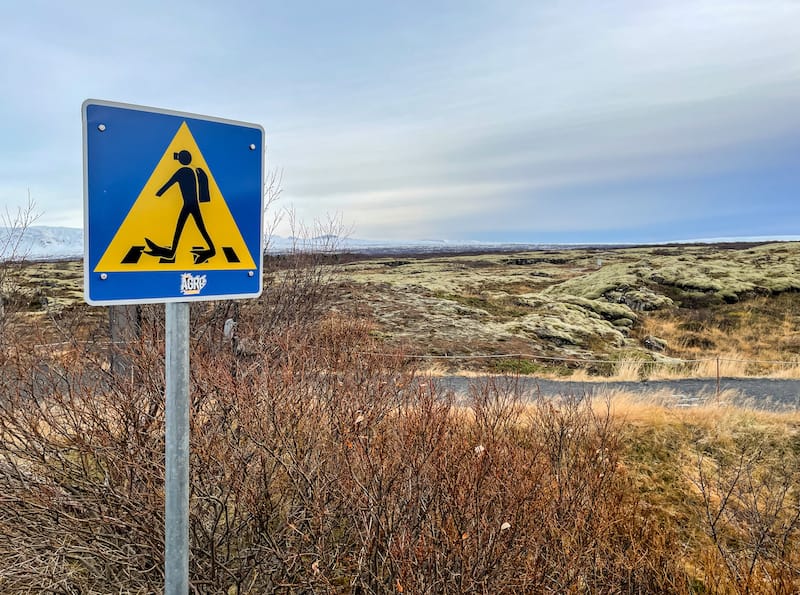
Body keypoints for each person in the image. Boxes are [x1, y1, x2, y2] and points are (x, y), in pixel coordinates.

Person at [144, 149, 216, 264]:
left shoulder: (182, 171)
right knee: (199, 227)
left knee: (183, 226)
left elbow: (169, 183)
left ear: (182, 160)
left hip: (189, 204)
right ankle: (211, 250)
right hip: (193, 204)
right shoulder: (196, 170)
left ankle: (173, 252)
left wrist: (156, 194)